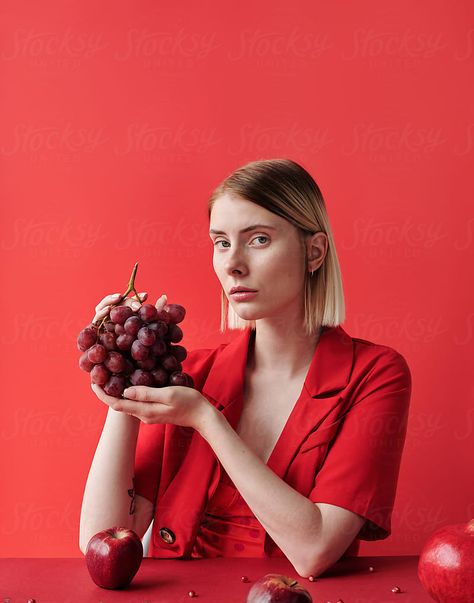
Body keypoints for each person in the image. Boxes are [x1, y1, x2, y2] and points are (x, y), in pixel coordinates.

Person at [79, 158, 412, 579]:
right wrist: (123, 385)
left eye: (257, 239)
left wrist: (205, 419)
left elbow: (314, 549)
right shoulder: (192, 373)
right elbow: (103, 541)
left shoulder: (376, 374)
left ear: (314, 252)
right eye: (221, 242)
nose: (233, 263)